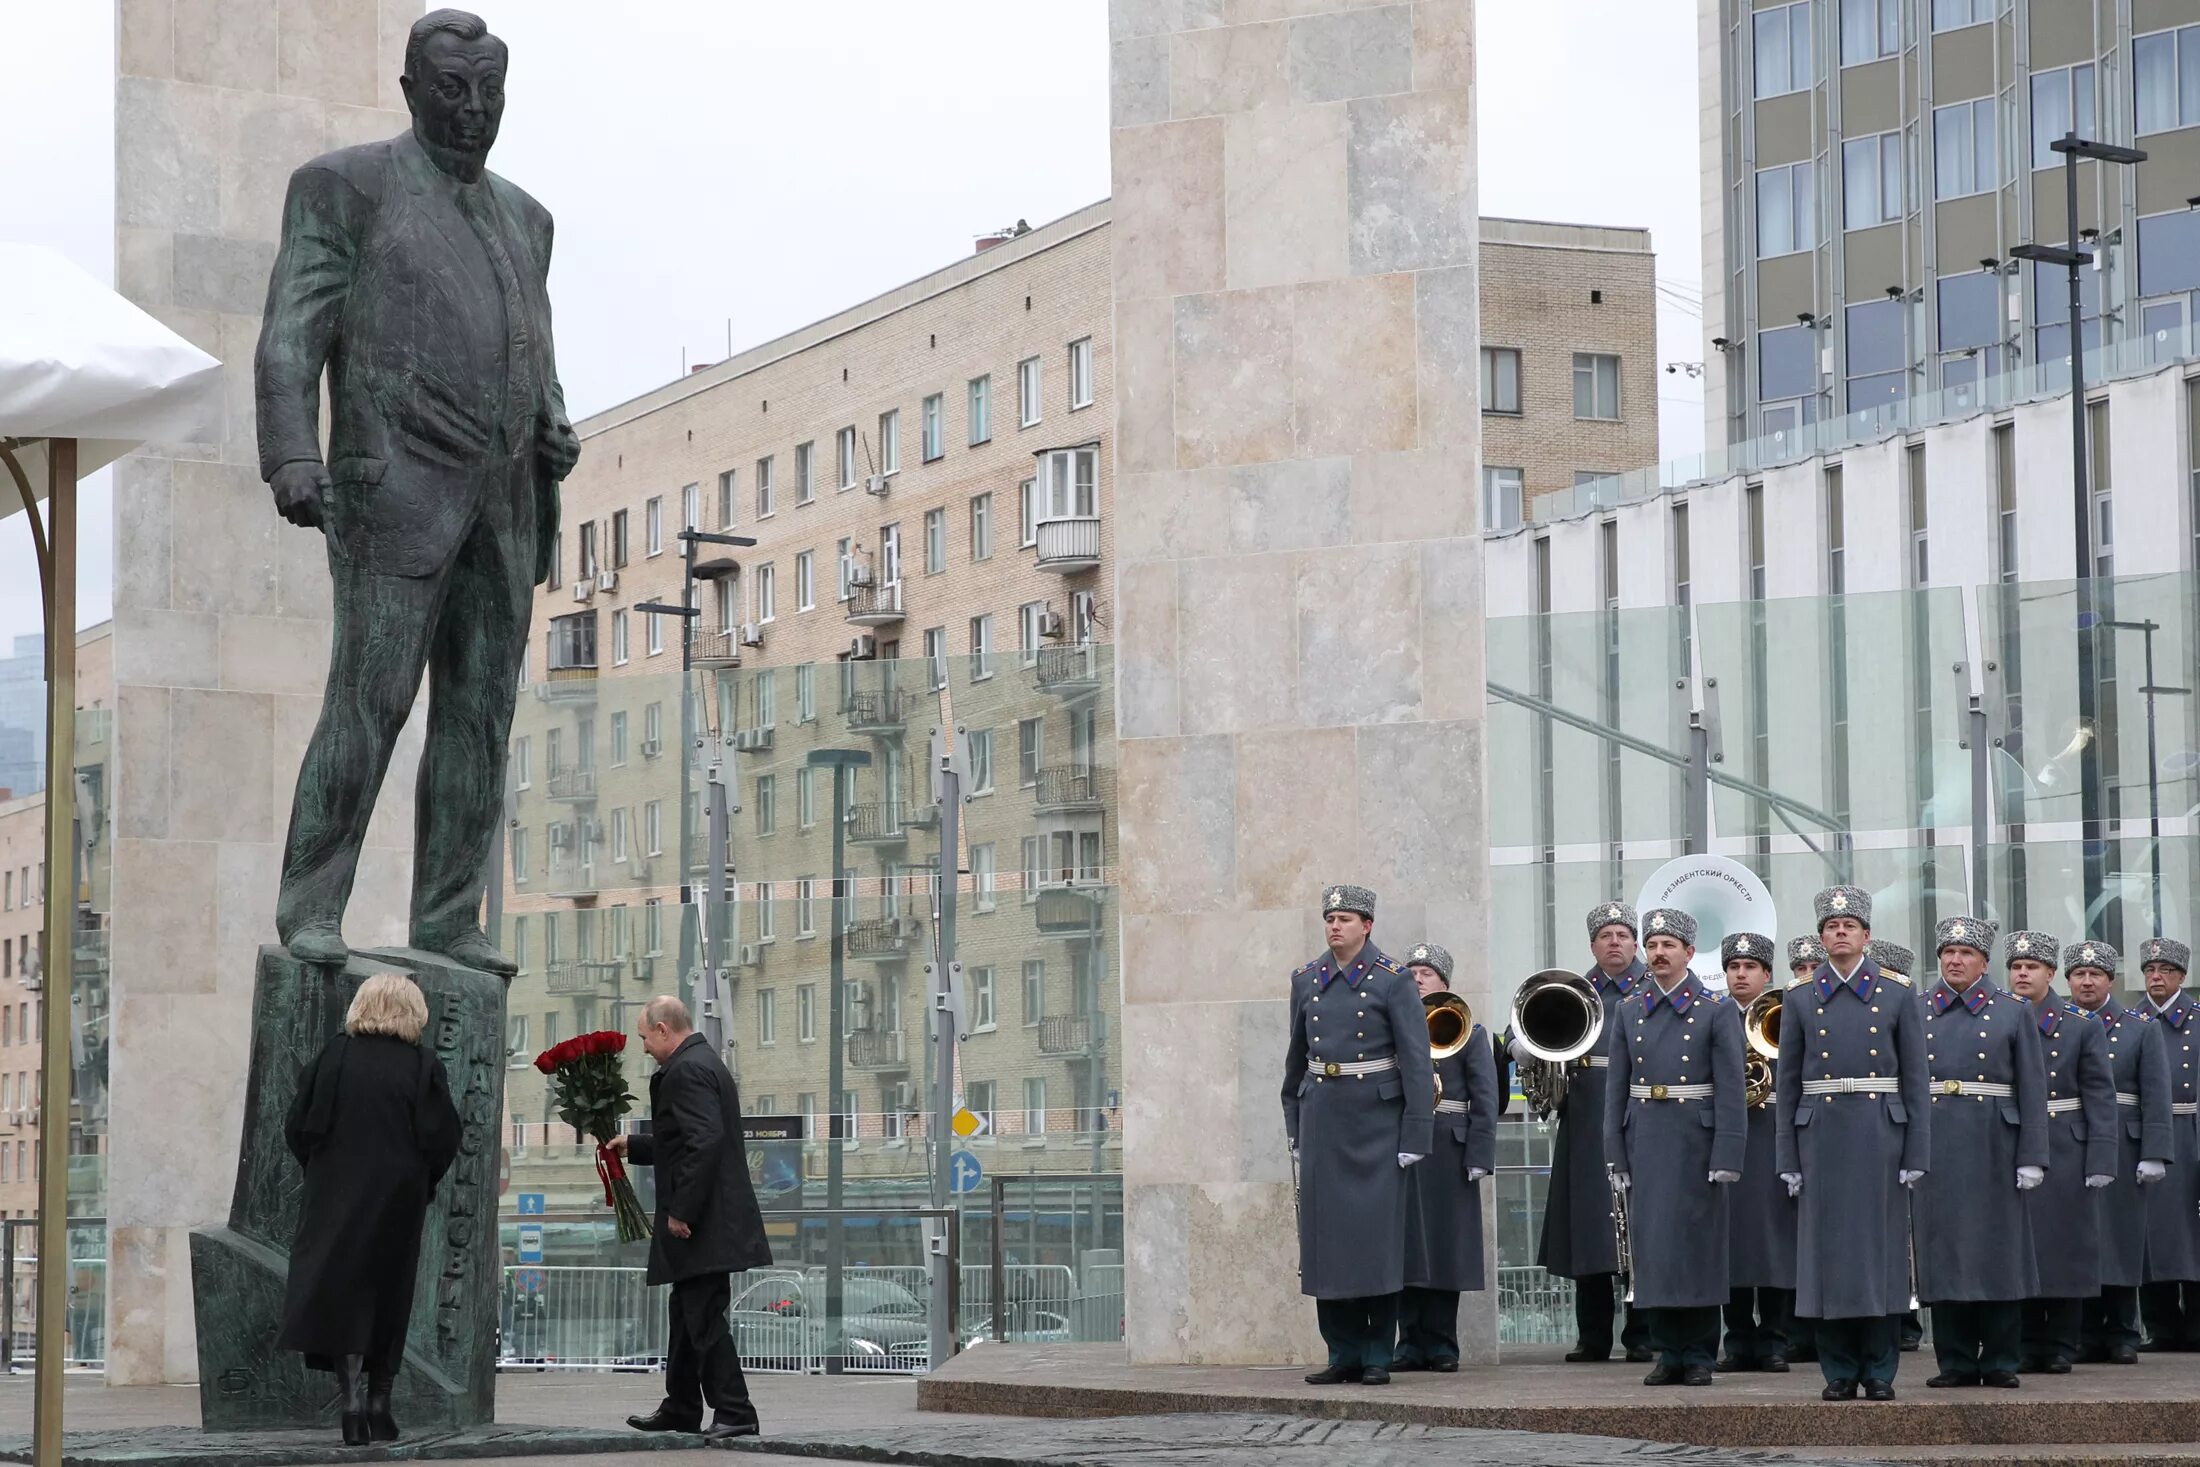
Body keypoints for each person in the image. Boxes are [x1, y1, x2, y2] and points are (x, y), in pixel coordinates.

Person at [255, 8, 582, 972]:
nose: (474, 110)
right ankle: (310, 905)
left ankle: (446, 916)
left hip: (506, 501)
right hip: (390, 491)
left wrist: (552, 418)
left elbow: (532, 343)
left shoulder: (528, 219)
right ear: (410, 88)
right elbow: (289, 333)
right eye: (452, 90)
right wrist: (290, 453)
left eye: (490, 92)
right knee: (369, 702)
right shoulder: (344, 186)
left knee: (480, 718)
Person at [279, 974, 461, 1445]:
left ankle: (351, 1401)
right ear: (412, 1012)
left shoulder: (335, 1055)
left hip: (335, 1191)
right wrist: (422, 1180)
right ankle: (382, 1402)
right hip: (399, 1195)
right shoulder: (423, 1064)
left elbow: (298, 1124)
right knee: (389, 1292)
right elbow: (444, 1137)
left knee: (343, 1293)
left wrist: (320, 1171)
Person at [1777, 885, 1929, 1402]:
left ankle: (1880, 1370)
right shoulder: (1798, 998)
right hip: (1820, 1133)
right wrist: (1787, 1158)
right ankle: (1838, 1370)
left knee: (1879, 1256)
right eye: (1830, 927)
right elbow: (1788, 1082)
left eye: (1848, 926)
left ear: (1866, 935)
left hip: (1880, 1134)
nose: (1839, 933)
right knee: (1826, 1256)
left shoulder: (1897, 993)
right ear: (1821, 939)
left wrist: (1916, 1153)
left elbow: (1916, 1081)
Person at [1283, 885, 1434, 1385]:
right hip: (1324, 1118)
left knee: (1377, 1244)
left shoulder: (1393, 981)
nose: (1335, 926)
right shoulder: (1306, 979)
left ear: (1367, 925)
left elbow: (1416, 1061)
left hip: (1378, 1124)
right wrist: (1295, 1125)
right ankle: (1341, 1351)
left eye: (1345, 918)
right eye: (1329, 917)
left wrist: (1416, 1134)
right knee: (1327, 1244)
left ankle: (1376, 1353)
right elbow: (1295, 1059)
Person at [609, 996, 772, 1443]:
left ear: (663, 1029)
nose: (643, 1047)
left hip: (703, 1221)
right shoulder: (700, 1063)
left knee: (702, 1317)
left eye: (644, 1037)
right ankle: (681, 1407)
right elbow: (686, 1139)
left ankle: (736, 1410)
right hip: (710, 1217)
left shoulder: (686, 1070)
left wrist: (683, 1210)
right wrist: (636, 1145)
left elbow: (705, 1142)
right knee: (685, 1313)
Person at [1603, 907, 1745, 1386]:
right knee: (1654, 1248)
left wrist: (1728, 1153)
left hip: (1696, 1141)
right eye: (1654, 945)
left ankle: (1702, 1353)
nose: (1659, 953)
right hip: (1646, 1138)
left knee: (1698, 1247)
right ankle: (1668, 1352)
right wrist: (1615, 1153)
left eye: (1669, 945)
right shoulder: (1628, 1010)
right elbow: (1616, 1088)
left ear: (1689, 952)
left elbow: (1731, 1087)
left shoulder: (1716, 1010)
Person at [1912, 916, 2047, 1389]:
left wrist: (2033, 1154)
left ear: (1984, 962)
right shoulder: (1918, 1008)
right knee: (1944, 1252)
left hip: (1996, 1143)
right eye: (1947, 952)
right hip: (1937, 1143)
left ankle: (2002, 1360)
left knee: (1997, 1254)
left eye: (1965, 953)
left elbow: (2032, 1087)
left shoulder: (2013, 1011)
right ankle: (1955, 1361)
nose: (1954, 960)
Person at [1543, 902, 1652, 1363]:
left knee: (1642, 1226)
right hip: (1586, 1116)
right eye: (1605, 935)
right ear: (1592, 945)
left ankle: (1644, 1334)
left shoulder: (1656, 987)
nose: (1614, 942)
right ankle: (1592, 1337)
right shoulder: (1574, 989)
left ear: (1636, 943)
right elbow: (1527, 1027)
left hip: (1642, 1116)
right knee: (1589, 1230)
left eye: (1623, 934)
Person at [2002, 931, 2115, 1374]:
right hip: (2014, 1141)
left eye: (2032, 967)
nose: (2023, 973)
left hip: (2066, 1142)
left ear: (2051, 974)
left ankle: (2063, 1343)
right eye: (2016, 966)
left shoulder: (2080, 1025)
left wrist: (2102, 1158)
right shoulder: (1999, 1018)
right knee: (2021, 1245)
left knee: (2066, 1248)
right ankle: (2028, 1342)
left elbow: (2100, 1096)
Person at [2066, 942, 2173, 1364]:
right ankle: (2086, 1332)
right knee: (2081, 1238)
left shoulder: (2139, 1027)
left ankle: (2124, 1332)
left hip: (2126, 1147)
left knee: (2121, 1238)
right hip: (2076, 1141)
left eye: (2095, 975)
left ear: (2110, 980)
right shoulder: (2062, 1024)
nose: (2086, 982)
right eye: (2078, 974)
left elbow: (2156, 1092)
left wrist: (2155, 1150)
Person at [1394, 943, 1497, 1373]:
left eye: (1427, 972)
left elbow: (1485, 1096)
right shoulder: (1392, 1027)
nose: (1418, 977)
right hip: (1403, 1147)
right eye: (1412, 971)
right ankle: (1408, 1343)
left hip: (1449, 1148)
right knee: (1405, 1248)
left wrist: (1480, 1153)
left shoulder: (1468, 1031)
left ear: (1444, 984)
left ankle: (1441, 1344)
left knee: (1445, 1246)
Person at [1719, 932, 1794, 1373]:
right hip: (1730, 1140)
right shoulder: (1711, 1017)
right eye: (1734, 967)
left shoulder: (1786, 1012)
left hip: (1772, 1134)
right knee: (1731, 1244)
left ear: (1766, 974)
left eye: (1749, 967)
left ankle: (1774, 1341)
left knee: (1774, 1243)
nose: (1740, 974)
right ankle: (1738, 1340)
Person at [2137, 938, 2200, 1351]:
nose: (2156, 977)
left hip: (2191, 1131)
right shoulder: (2132, 1020)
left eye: (2165, 970)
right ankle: (2161, 1327)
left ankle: (2196, 1327)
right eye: (2150, 970)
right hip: (2144, 1134)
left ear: (2181, 976)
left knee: (2192, 1235)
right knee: (2147, 1236)